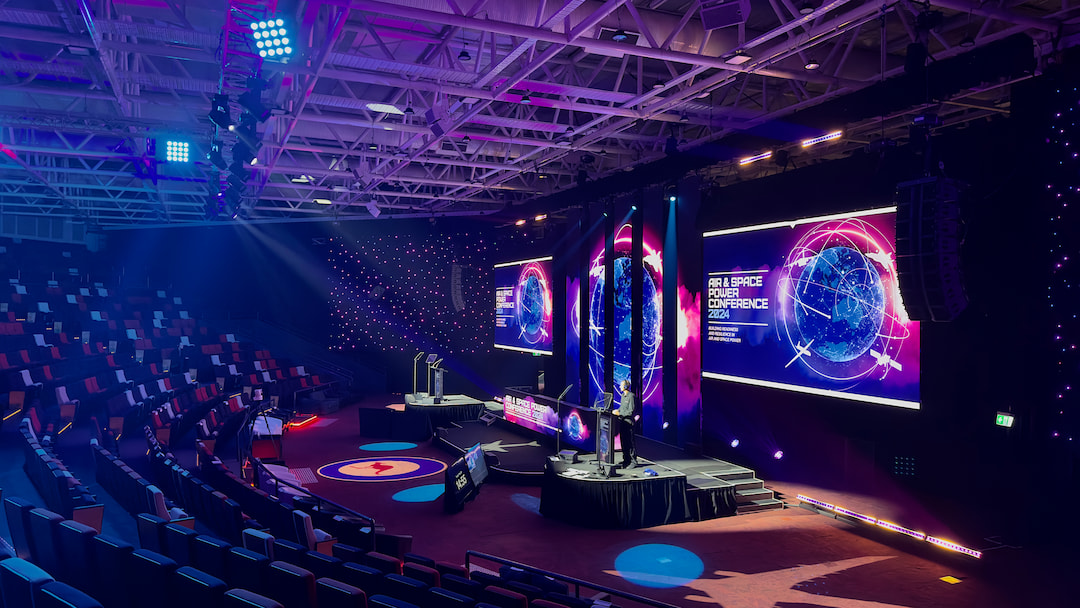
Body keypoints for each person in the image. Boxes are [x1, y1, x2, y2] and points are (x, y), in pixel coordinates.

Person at [615, 379, 637, 468]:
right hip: (622, 422)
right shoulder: (622, 396)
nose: (620, 387)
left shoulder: (631, 396)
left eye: (621, 385)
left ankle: (633, 461)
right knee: (623, 442)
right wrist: (617, 411)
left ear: (625, 387)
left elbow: (631, 411)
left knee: (630, 443)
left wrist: (619, 413)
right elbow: (622, 407)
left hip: (628, 423)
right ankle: (626, 459)